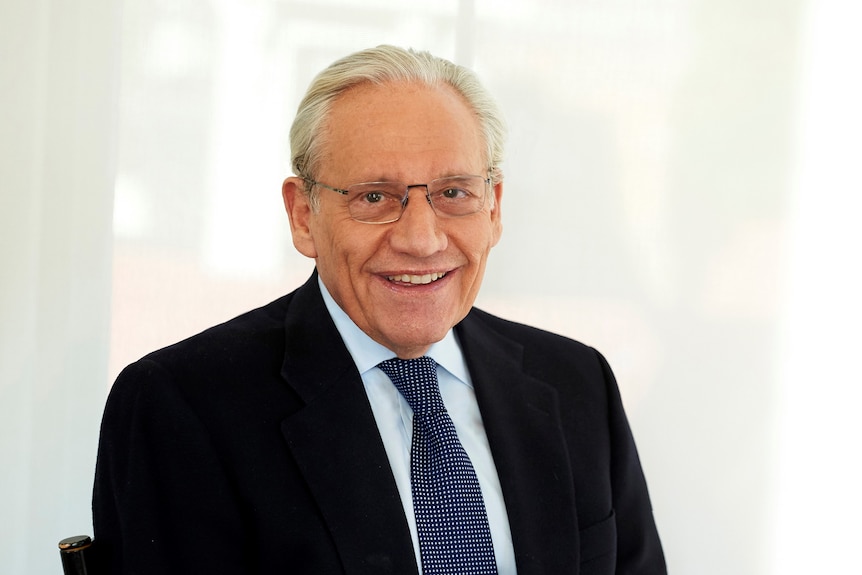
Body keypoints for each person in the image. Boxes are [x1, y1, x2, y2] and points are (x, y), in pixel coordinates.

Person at [93, 45, 666, 574]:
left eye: (454, 193)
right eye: (374, 197)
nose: (421, 239)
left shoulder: (576, 383)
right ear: (302, 215)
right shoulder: (179, 407)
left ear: (493, 209)